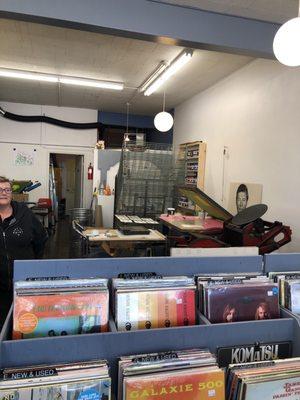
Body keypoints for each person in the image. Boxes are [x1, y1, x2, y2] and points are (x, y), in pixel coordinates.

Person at [0, 176, 48, 327]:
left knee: (23, 324)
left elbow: (40, 239)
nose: (4, 193)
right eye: (0, 190)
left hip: (22, 284)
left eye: (7, 189)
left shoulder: (25, 214)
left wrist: (32, 264)